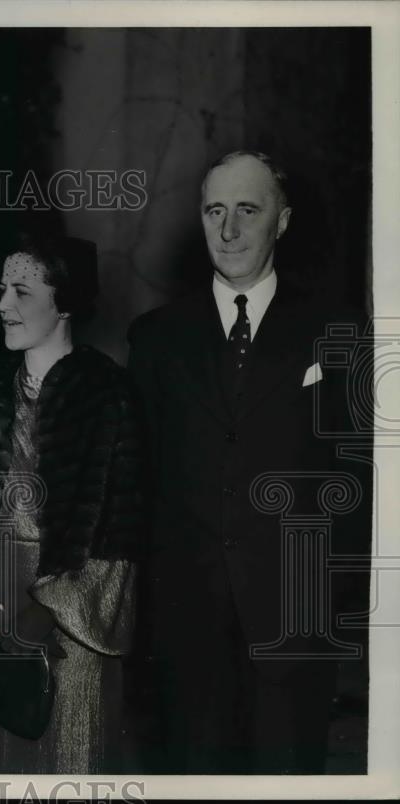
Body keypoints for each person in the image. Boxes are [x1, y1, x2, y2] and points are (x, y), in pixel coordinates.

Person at [127, 150, 370, 773]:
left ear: (281, 222)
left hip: (295, 624)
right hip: (186, 628)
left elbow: (358, 477)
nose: (229, 230)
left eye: (247, 210)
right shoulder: (155, 339)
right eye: (215, 211)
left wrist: (333, 600)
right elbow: (138, 484)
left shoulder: (335, 330)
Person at [0, 223, 145, 773]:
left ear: (66, 303)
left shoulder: (109, 396)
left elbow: (122, 535)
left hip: (72, 629)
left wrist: (45, 612)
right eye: (2, 288)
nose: (2, 303)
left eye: (22, 291)